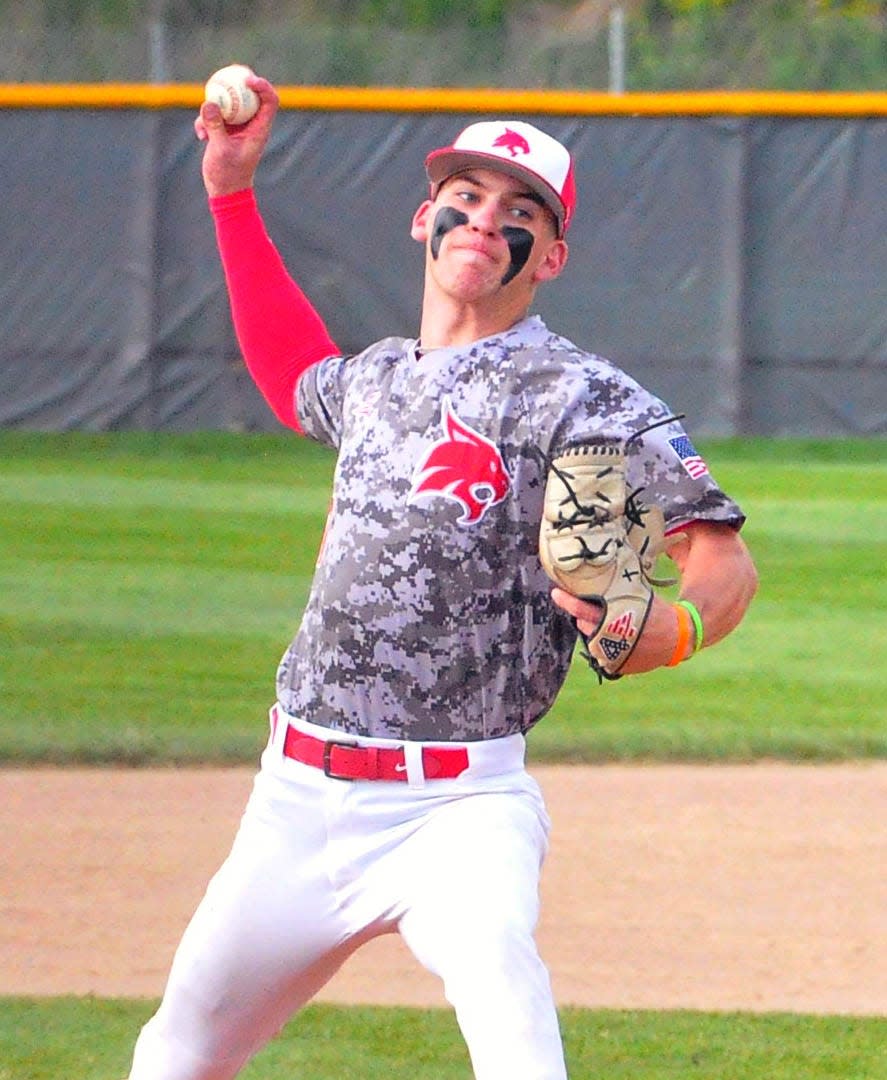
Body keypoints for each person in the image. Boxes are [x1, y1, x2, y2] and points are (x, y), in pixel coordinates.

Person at [127, 74, 757, 1080]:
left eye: (520, 212)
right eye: (465, 195)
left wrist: (673, 631)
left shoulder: (587, 400)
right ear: (426, 218)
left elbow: (720, 562)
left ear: (549, 257)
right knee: (176, 1054)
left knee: (510, 1025)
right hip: (294, 796)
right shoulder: (373, 379)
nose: (483, 218)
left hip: (457, 808)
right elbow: (291, 366)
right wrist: (231, 190)